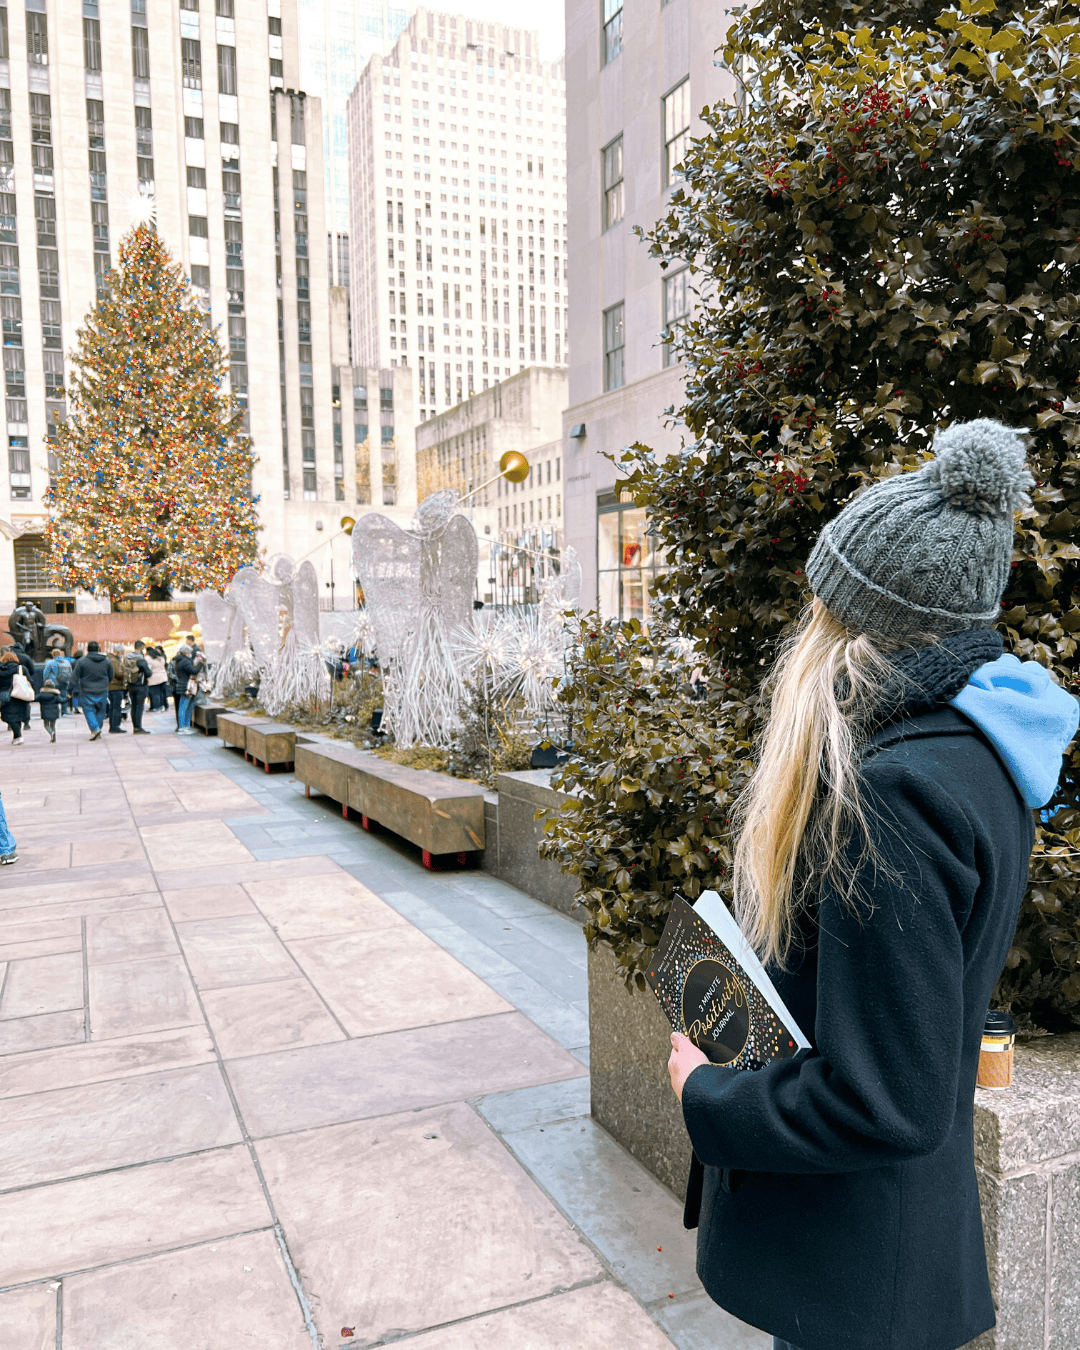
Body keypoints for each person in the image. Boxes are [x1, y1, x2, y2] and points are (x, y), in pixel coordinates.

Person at [665, 420, 1080, 1350]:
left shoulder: (891, 790)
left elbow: (884, 1099)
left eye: (824, 607)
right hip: (889, 1253)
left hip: (850, 1274)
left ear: (861, 630)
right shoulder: (982, 754)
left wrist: (706, 1096)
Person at [72, 640, 113, 741]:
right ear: (98, 649)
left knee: (89, 710)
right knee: (101, 710)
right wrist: (107, 682)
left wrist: (70, 688)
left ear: (87, 649)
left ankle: (95, 729)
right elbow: (111, 674)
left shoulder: (81, 661)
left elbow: (75, 676)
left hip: (87, 690)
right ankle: (98, 729)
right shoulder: (106, 660)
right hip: (102, 690)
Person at [0, 649, 29, 744]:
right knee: (17, 716)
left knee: (8, 716)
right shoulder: (21, 668)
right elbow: (31, 681)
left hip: (5, 696)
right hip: (19, 694)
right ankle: (18, 736)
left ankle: (17, 736)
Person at [125, 640, 152, 733]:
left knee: (134, 706)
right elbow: (148, 673)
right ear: (141, 648)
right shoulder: (140, 659)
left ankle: (135, 727)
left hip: (130, 685)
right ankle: (138, 727)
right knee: (139, 707)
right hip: (140, 685)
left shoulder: (128, 658)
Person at [173, 642, 200, 735]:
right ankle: (183, 727)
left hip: (183, 685)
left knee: (186, 706)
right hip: (186, 686)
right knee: (185, 707)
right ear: (186, 653)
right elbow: (193, 670)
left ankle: (185, 726)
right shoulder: (185, 661)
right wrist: (200, 664)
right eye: (190, 652)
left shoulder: (179, 660)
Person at [43, 647, 72, 716]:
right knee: (64, 695)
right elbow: (70, 672)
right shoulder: (66, 662)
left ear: (53, 655)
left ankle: (55, 711)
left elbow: (46, 673)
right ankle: (64, 712)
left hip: (54, 682)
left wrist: (45, 681)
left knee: (54, 696)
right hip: (65, 681)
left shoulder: (50, 662)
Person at [105, 644, 127, 734]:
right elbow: (118, 673)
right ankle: (115, 726)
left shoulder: (111, 659)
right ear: (118, 652)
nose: (122, 654)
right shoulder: (114, 660)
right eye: (122, 652)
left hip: (112, 687)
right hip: (116, 687)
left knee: (113, 707)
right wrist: (125, 673)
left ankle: (114, 726)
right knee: (116, 708)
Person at [36, 677, 62, 743]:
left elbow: (33, 698)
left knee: (46, 725)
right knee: (53, 725)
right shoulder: (56, 695)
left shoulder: (41, 695)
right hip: (54, 712)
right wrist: (68, 697)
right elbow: (62, 700)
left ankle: (51, 733)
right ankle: (54, 737)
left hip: (45, 713)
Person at [147, 644, 168, 711]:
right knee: (161, 693)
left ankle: (156, 707)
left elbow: (148, 668)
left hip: (153, 678)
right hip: (163, 677)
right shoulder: (161, 658)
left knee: (154, 694)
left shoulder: (148, 658)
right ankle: (162, 706)